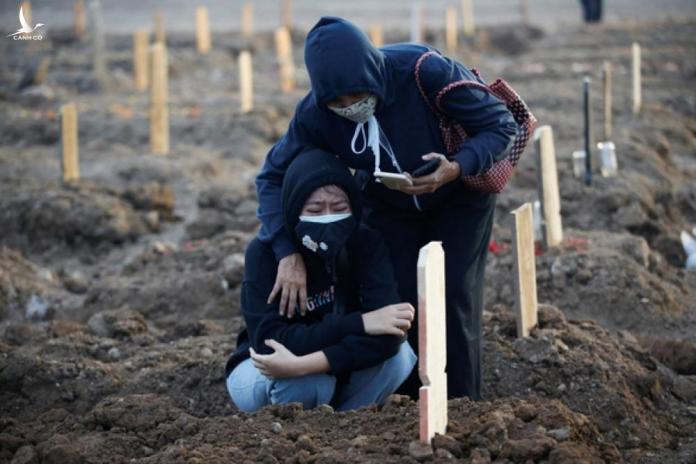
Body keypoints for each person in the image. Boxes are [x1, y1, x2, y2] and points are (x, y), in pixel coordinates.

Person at [255, 17, 518, 400]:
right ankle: (408, 405)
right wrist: (286, 250)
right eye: (337, 103)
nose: (350, 107)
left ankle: (463, 403)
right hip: (388, 202)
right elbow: (271, 176)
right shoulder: (314, 113)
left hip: (457, 196)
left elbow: (500, 125)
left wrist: (456, 167)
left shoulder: (424, 71)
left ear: (371, 73)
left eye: (357, 94)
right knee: (399, 302)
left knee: (453, 296)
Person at [225, 148, 416, 412]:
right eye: (315, 209)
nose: (328, 217)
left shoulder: (366, 243)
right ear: (293, 209)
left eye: (339, 208)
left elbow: (389, 335)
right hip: (263, 367)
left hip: (315, 365)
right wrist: (360, 323)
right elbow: (270, 342)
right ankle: (286, 425)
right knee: (309, 383)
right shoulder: (265, 254)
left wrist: (304, 364)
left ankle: (344, 422)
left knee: (400, 357)